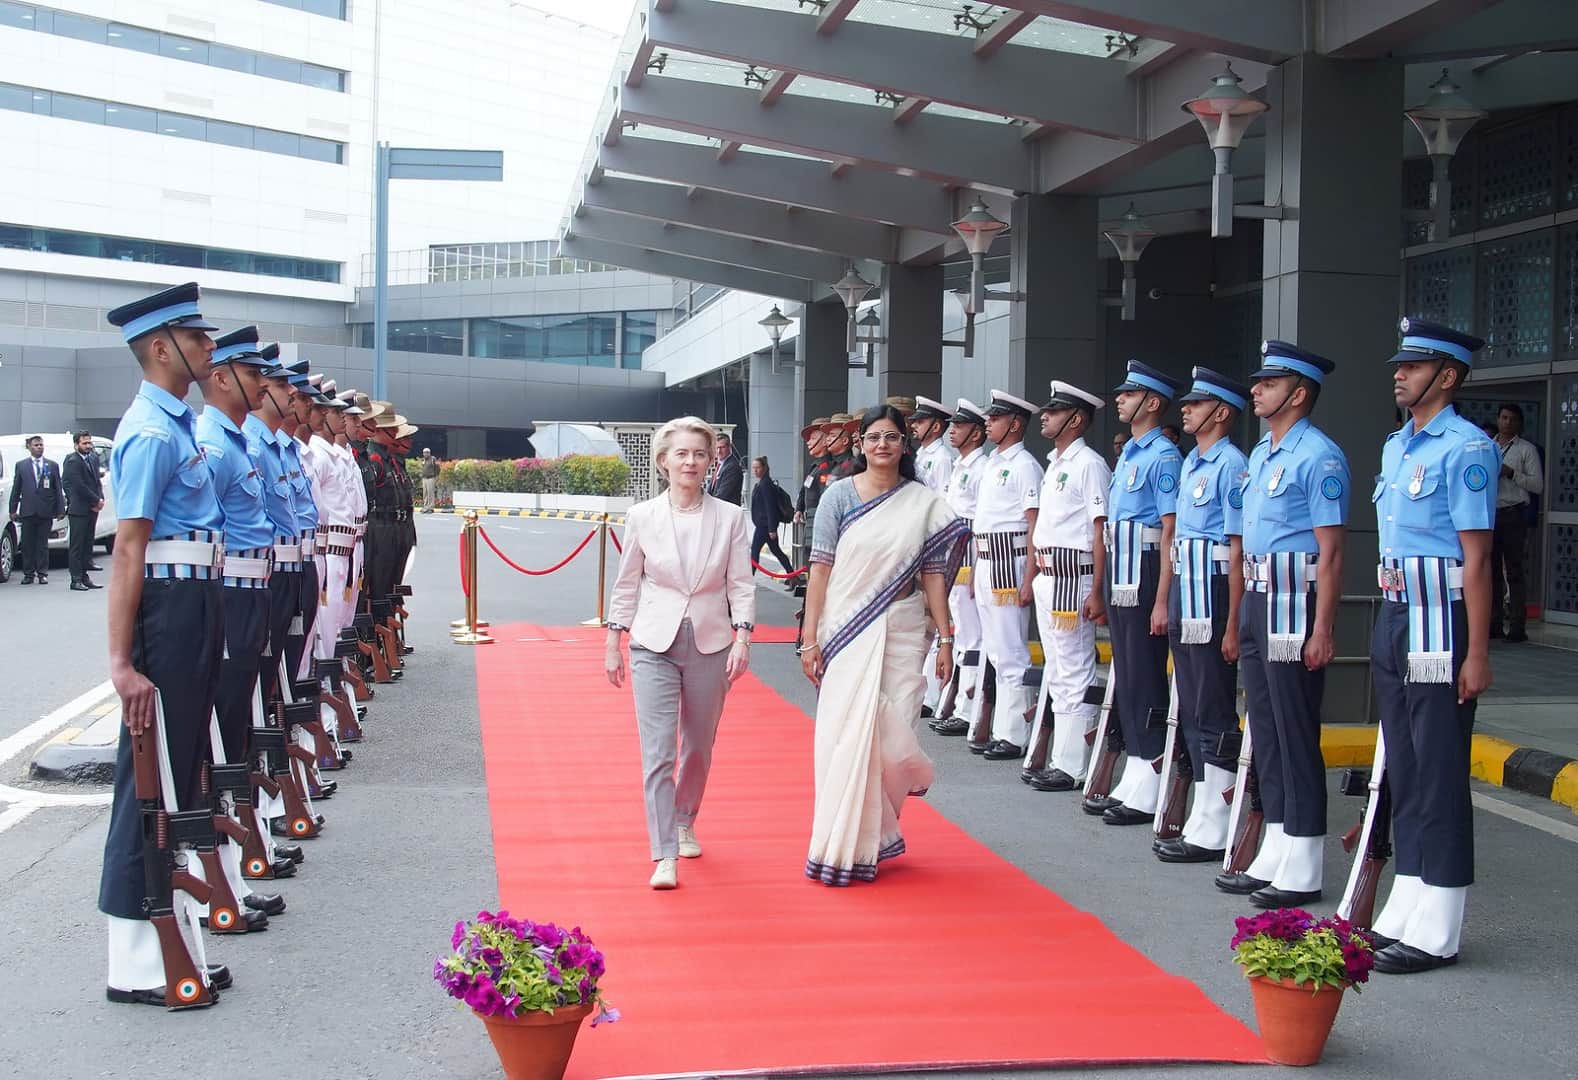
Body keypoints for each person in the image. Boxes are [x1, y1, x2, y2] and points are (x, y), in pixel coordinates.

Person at [99, 282, 229, 1007]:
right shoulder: (150, 432)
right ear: (160, 347)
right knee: (149, 781)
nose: (210, 349)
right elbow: (128, 551)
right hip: (170, 606)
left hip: (197, 599)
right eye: (197, 338)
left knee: (181, 768)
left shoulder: (178, 425)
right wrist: (120, 664)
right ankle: (136, 958)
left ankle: (172, 936)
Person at [1367, 319, 1497, 975]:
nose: (1399, 374)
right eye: (1399, 365)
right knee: (1408, 764)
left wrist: (1477, 651)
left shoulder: (1467, 449)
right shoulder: (1399, 447)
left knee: (1440, 766)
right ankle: (1409, 898)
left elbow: (1477, 560)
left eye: (1412, 367)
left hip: (1444, 616)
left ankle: (1440, 921)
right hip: (1396, 609)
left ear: (1445, 376)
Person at [799, 404, 968, 885]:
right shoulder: (837, 498)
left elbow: (934, 577)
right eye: (873, 437)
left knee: (896, 743)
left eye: (891, 437)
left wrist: (946, 638)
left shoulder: (923, 502)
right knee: (846, 737)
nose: (882, 445)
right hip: (847, 630)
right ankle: (841, 846)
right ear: (861, 444)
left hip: (905, 627)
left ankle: (871, 834)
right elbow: (821, 569)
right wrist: (809, 640)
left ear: (904, 445)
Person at [1217, 340, 1349, 909]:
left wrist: (1324, 628)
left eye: (1267, 385)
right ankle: (1277, 843)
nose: (1255, 391)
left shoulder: (1318, 456)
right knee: (1265, 729)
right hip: (1257, 596)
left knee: (1295, 730)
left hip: (1297, 599)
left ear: (1297, 393)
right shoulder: (1265, 454)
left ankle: (1305, 856)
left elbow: (1333, 551)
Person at [605, 416, 755, 891]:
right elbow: (627, 582)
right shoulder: (642, 517)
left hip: (710, 640)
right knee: (657, 751)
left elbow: (740, 583)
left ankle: (686, 816)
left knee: (699, 744)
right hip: (653, 641)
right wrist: (614, 640)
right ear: (663, 462)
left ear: (711, 462)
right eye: (681, 454)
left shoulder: (731, 517)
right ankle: (663, 851)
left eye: (700, 454)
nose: (690, 462)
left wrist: (744, 635)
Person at [194, 325, 283, 929]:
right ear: (224, 377)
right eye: (255, 376)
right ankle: (222, 880)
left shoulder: (235, 442)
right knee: (225, 738)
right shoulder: (217, 442)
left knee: (246, 727)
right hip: (228, 592)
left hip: (256, 587)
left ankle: (239, 863)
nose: (265, 388)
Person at [1156, 368, 1250, 862]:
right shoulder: (1194, 460)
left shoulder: (1232, 465)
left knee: (1212, 701)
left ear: (1222, 412)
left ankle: (1219, 813)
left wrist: (1234, 621)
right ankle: (1205, 809)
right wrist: (1162, 600)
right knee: (1190, 701)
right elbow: (1173, 542)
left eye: (1196, 404)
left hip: (1212, 590)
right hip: (1185, 589)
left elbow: (1236, 551)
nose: (1186, 410)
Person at [1092, 361, 1182, 826]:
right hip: (1123, 569)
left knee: (1145, 673)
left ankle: (1150, 772)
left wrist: (1164, 598)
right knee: (1126, 671)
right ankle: (1136, 768)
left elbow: (1169, 532)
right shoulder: (1129, 453)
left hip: (1146, 569)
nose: (1120, 401)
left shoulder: (1164, 456)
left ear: (1151, 402)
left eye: (1129, 394)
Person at [1025, 381, 1111, 792]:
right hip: (1048, 573)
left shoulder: (1089, 464)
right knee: (1058, 670)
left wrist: (1097, 590)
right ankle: (1062, 756)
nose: (1045, 415)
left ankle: (1074, 763)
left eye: (1054, 411)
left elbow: (1101, 530)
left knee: (1075, 668)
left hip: (1073, 576)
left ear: (1075, 419)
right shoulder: (1057, 463)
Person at [970, 390, 1043, 760]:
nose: (988, 422)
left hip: (1010, 560)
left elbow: (1034, 524)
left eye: (995, 418)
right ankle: (1002, 725)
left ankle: (1016, 732)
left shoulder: (1024, 465)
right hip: (986, 557)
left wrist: (1029, 576)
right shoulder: (992, 463)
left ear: (1014, 424)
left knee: (1011, 647)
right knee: (995, 648)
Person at [1490, 403, 1541, 643]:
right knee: (1490, 572)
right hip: (1490, 513)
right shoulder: (1488, 447)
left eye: (1512, 419)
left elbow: (1537, 485)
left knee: (1514, 570)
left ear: (1519, 423)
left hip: (1514, 513)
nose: (1507, 422)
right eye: (1503, 418)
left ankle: (1518, 626)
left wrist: (1511, 473)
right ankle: (1494, 622)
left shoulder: (1526, 450)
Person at [9, 435, 65, 584]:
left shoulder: (51, 465)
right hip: (28, 510)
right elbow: (16, 488)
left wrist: (60, 508)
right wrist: (13, 509)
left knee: (42, 544)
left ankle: (42, 573)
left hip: (45, 510)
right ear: (29, 447)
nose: (39, 447)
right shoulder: (21, 465)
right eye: (36, 445)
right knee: (27, 544)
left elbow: (57, 488)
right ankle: (28, 573)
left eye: (41, 444)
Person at [64, 431, 106, 590]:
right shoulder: (72, 461)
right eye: (84, 443)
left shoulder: (93, 458)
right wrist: (95, 500)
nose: (88, 446)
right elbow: (78, 485)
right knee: (77, 546)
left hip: (93, 508)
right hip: (79, 508)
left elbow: (96, 482)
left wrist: (100, 499)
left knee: (88, 544)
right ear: (76, 445)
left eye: (89, 443)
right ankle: (75, 579)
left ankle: (84, 576)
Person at [748, 456, 796, 580]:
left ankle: (748, 579)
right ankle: (793, 577)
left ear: (764, 468)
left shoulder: (765, 484)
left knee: (755, 552)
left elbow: (771, 507)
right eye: (753, 468)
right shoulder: (762, 483)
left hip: (765, 526)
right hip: (764, 524)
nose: (755, 471)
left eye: (758, 468)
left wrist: (772, 528)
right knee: (776, 551)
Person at [705, 429, 744, 505]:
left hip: (727, 512)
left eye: (722, 447)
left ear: (730, 447)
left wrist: (707, 504)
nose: (719, 451)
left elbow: (722, 495)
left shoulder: (732, 467)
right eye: (717, 448)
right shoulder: (720, 465)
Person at [420, 448, 439, 513]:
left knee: (430, 493)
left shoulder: (433, 459)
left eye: (427, 452)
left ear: (429, 453)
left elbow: (437, 468)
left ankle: (430, 508)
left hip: (431, 478)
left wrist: (436, 476)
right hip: (424, 478)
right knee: (425, 493)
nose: (425, 454)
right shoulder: (423, 460)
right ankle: (425, 507)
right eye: (424, 453)